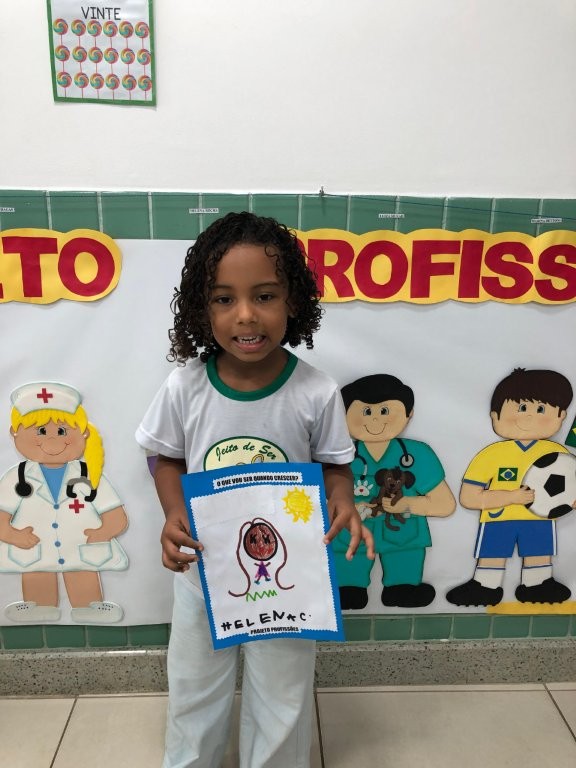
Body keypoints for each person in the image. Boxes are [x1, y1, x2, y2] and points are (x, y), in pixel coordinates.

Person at [135, 212, 373, 768]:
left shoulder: (316, 391)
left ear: (294, 302)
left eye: (264, 296)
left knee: (283, 691)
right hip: (204, 570)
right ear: (202, 309)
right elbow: (164, 456)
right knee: (194, 685)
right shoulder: (185, 386)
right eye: (224, 299)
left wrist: (342, 499)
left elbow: (336, 464)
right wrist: (173, 512)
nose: (245, 315)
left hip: (290, 578)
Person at [0, 381, 128, 623]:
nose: (52, 439)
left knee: (81, 570)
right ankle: (39, 606)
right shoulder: (15, 478)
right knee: (37, 571)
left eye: (62, 431)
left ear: (84, 433)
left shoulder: (90, 474)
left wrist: (103, 532)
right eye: (40, 431)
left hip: (82, 545)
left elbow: (115, 514)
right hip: (33, 548)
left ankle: (88, 607)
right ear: (14, 434)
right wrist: (13, 535)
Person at [446, 367, 575, 607]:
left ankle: (538, 584)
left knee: (539, 553)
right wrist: (510, 497)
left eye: (541, 409)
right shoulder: (492, 454)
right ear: (495, 416)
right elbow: (469, 497)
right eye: (522, 408)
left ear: (561, 416)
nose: (529, 417)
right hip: (499, 517)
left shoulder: (557, 453)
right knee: (493, 553)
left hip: (540, 519)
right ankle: (485, 586)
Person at [332, 374, 455, 609]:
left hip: (403, 534)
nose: (375, 419)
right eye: (366, 411)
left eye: (384, 411)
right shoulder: (337, 455)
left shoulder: (418, 455)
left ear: (409, 414)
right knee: (347, 587)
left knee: (404, 579)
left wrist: (406, 504)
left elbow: (445, 504)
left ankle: (402, 587)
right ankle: (350, 587)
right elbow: (319, 500)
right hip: (353, 533)